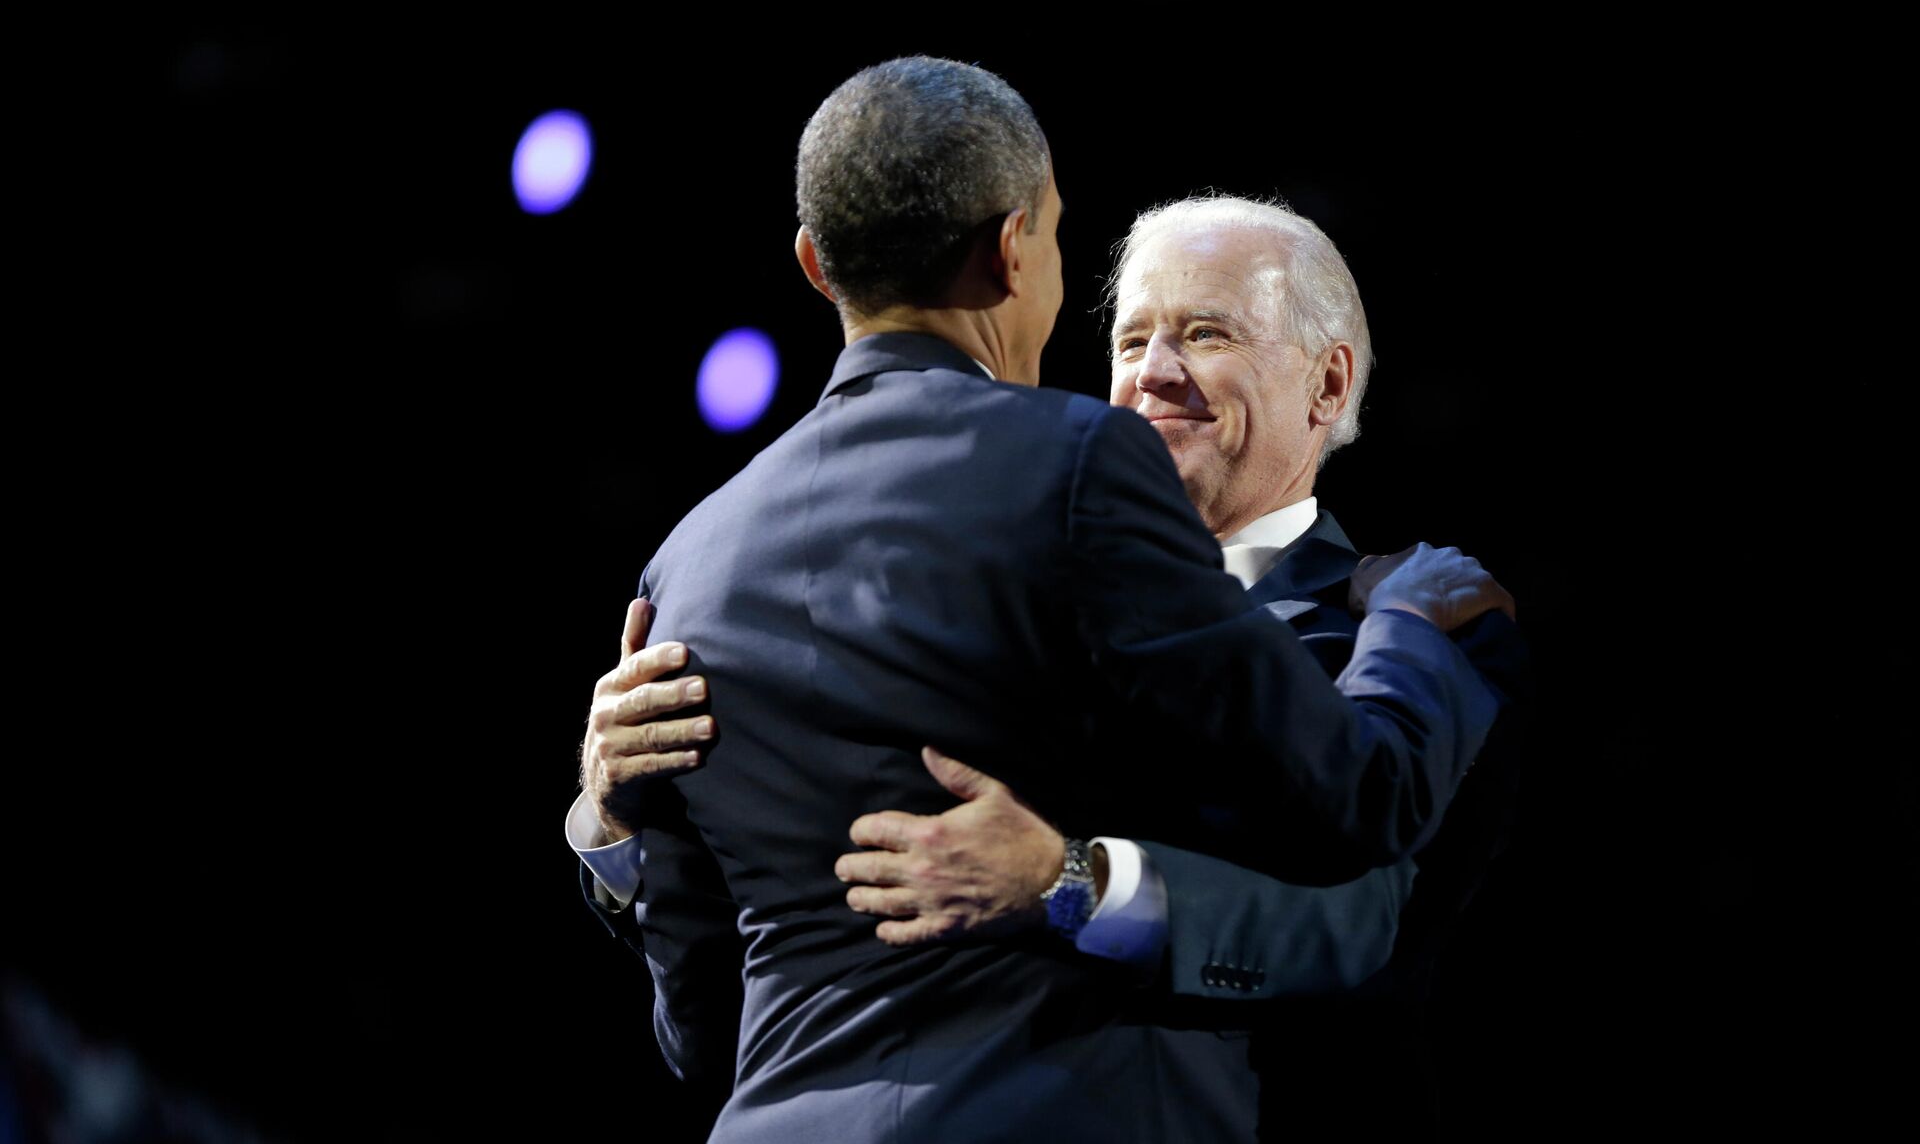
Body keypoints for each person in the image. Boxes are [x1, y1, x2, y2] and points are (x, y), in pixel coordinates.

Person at [571, 57, 1508, 1142]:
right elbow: (1365, 799)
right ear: (1015, 247)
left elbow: (704, 1028)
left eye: (1204, 332)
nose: (1153, 371)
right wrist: (1405, 629)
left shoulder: (690, 560)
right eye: (1130, 334)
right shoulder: (1072, 478)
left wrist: (607, 821)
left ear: (816, 264)